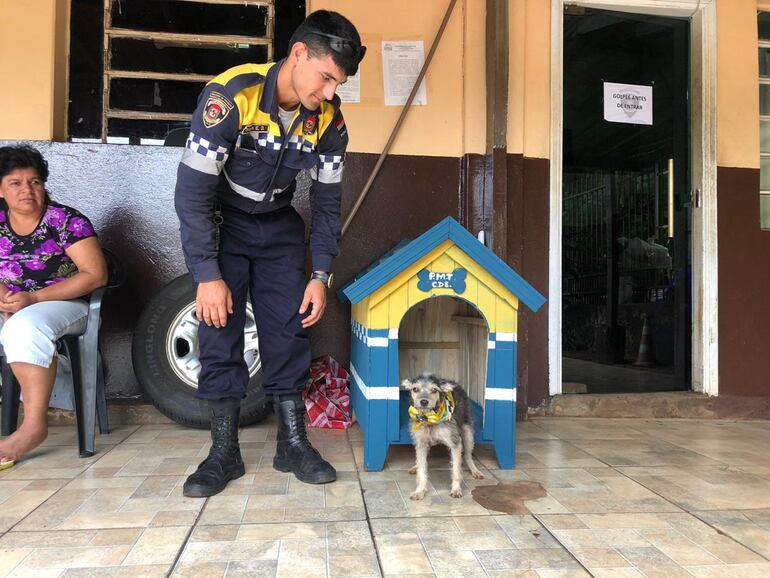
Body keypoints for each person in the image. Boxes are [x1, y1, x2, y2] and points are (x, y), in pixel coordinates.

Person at [174, 10, 365, 497]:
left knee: (288, 330)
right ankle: (224, 451)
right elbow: (193, 194)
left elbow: (326, 204)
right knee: (219, 329)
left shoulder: (329, 118)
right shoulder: (229, 96)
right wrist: (206, 272)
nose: (328, 93)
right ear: (297, 53)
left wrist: (320, 274)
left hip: (279, 226)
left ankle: (293, 442)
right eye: (325, 78)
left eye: (336, 84)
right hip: (225, 225)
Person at [0, 145, 108, 468]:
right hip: (12, 304)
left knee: (23, 326)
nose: (26, 190)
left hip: (64, 305)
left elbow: (96, 274)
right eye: (15, 183)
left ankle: (33, 426)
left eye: (34, 182)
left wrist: (32, 299)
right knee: (17, 321)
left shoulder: (65, 221)